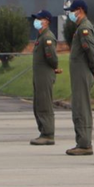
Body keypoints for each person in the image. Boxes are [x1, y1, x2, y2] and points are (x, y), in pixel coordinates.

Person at [64, 0, 94, 156]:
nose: (70, 14)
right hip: (79, 73)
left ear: (79, 10)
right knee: (78, 106)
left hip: (83, 73)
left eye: (72, 11)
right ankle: (82, 142)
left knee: (82, 107)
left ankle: (85, 144)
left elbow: (91, 51)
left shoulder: (85, 28)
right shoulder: (81, 28)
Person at [29, 10, 60, 146]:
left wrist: (54, 67)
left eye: (39, 19)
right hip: (39, 75)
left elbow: (52, 57)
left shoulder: (47, 37)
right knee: (38, 104)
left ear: (46, 21)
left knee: (45, 104)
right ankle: (43, 132)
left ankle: (48, 134)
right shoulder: (40, 37)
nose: (36, 21)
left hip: (45, 75)